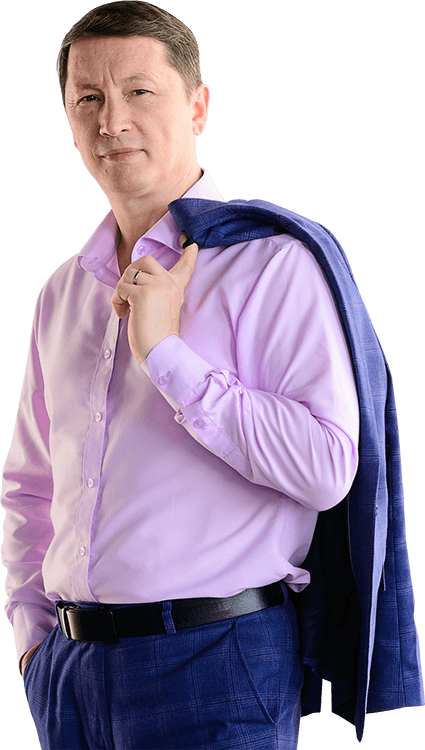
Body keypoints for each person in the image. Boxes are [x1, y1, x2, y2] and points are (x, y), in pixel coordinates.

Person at [1, 3, 422, 749]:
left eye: (138, 91)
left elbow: (327, 468)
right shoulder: (63, 291)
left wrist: (166, 355)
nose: (111, 121)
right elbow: (32, 487)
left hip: (216, 660)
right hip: (68, 675)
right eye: (88, 98)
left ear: (198, 106)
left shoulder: (273, 264)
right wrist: (33, 639)